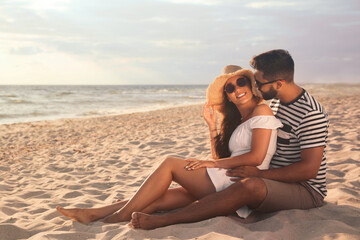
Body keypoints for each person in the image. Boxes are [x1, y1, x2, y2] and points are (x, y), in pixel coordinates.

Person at [56, 65, 282, 224]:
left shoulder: (261, 110)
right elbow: (219, 155)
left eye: (240, 82)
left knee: (171, 163)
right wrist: (212, 126)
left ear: (250, 85)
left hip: (236, 182)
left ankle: (119, 216)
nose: (236, 90)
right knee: (159, 198)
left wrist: (210, 164)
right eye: (230, 88)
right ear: (228, 96)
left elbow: (257, 157)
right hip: (225, 177)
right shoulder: (239, 119)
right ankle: (94, 214)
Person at [130, 49, 329, 230]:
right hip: (269, 176)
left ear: (279, 83)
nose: (256, 87)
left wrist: (262, 175)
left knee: (248, 186)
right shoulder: (274, 103)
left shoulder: (311, 113)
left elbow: (309, 170)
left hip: (305, 189)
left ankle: (165, 220)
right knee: (190, 188)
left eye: (259, 83)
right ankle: (121, 209)